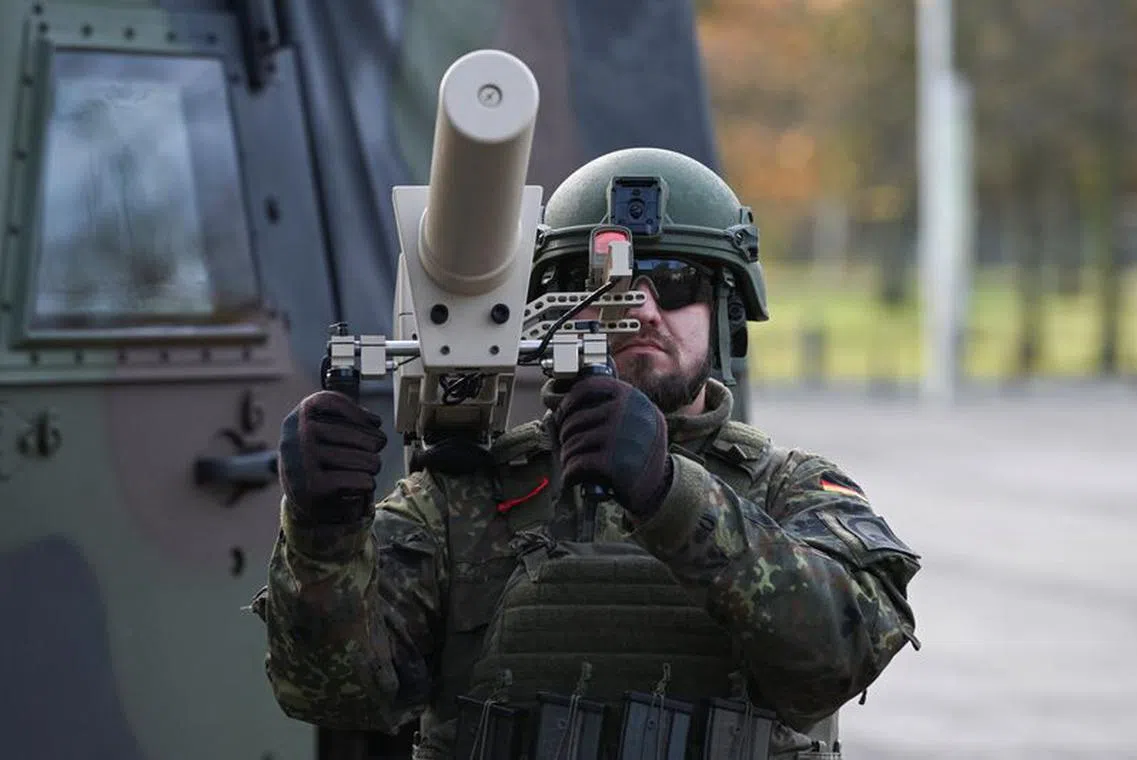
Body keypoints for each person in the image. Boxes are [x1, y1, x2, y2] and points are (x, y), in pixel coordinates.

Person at [251, 148, 921, 759]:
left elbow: (838, 655)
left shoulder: (790, 491)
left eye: (677, 279)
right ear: (552, 312)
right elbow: (335, 697)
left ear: (725, 311)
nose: (642, 308)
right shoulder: (461, 501)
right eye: (594, 283)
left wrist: (668, 492)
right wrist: (322, 536)